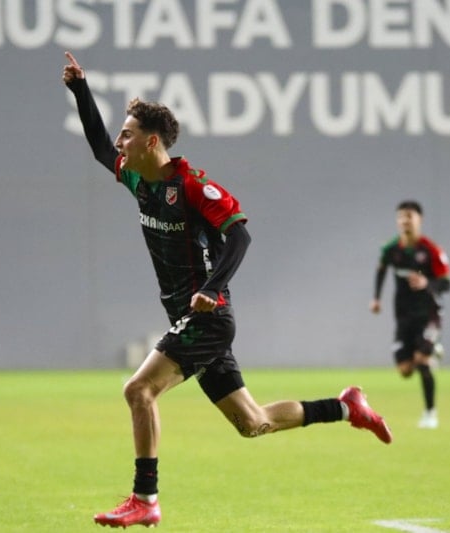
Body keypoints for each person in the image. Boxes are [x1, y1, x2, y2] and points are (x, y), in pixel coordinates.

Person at [62, 51, 392, 529]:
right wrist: (80, 89)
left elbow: (239, 236)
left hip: (207, 318)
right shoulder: (139, 179)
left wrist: (214, 289)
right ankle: (347, 407)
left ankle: (145, 498)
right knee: (253, 423)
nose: (119, 141)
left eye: (127, 134)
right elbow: (97, 146)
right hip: (190, 315)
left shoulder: (193, 186)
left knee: (138, 390)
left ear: (151, 142)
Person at [370, 200, 450, 429]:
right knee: (405, 370)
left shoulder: (431, 250)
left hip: (428, 314)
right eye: (401, 216)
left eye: (409, 216)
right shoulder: (390, 249)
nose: (405, 220)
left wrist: (427, 283)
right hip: (404, 316)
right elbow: (381, 270)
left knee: (422, 362)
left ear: (419, 219)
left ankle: (430, 414)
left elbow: (447, 283)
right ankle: (432, 349)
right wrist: (376, 298)